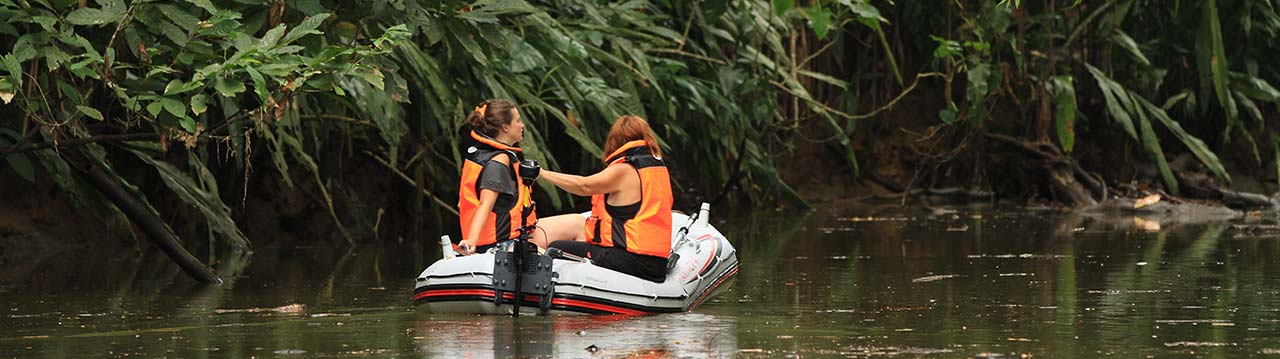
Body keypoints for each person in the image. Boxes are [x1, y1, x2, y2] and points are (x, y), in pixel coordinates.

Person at [537, 115, 673, 282]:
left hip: (632, 260)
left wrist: (542, 173)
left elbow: (584, 186)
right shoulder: (656, 168)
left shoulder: (624, 169)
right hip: (655, 263)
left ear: (615, 141)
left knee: (556, 247)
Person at [456, 99, 538, 255]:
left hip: (511, 235)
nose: (522, 125)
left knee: (575, 222)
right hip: (500, 243)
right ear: (505, 127)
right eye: (518, 121)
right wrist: (472, 241)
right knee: (575, 228)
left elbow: (461, 204)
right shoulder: (498, 162)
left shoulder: (484, 154)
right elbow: (485, 204)